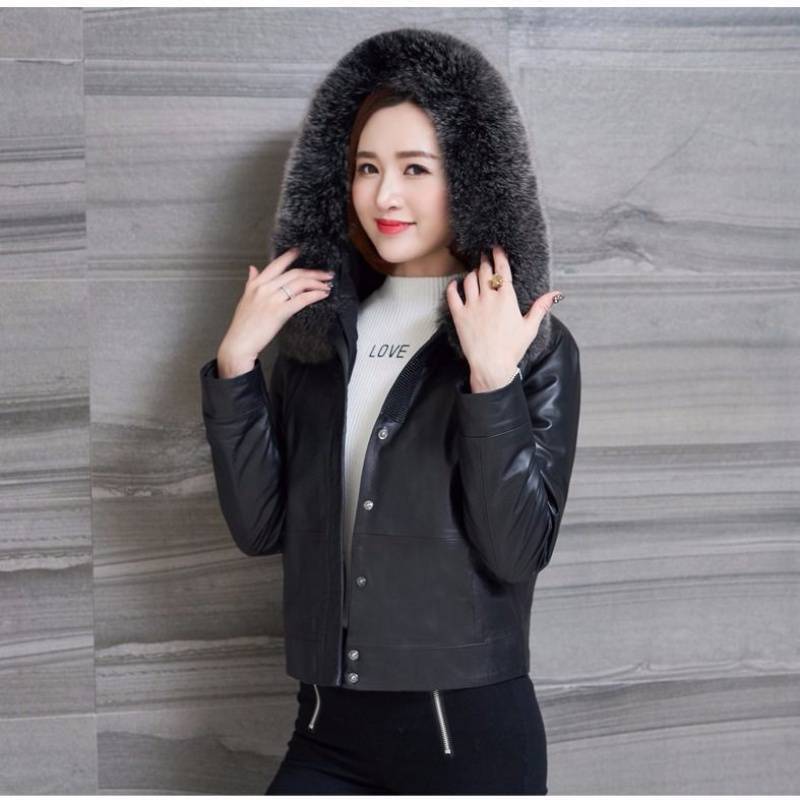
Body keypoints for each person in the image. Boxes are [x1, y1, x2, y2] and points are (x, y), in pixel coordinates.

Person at [199, 28, 581, 795]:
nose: (385, 196)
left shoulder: (531, 344)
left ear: (468, 177)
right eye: (367, 168)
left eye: (415, 168)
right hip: (325, 729)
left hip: (465, 736)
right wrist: (237, 365)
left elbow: (516, 550)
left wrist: (491, 380)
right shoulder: (315, 341)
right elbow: (262, 528)